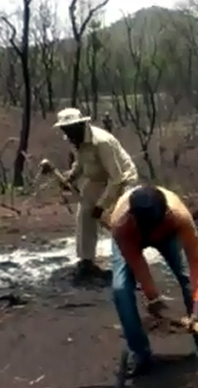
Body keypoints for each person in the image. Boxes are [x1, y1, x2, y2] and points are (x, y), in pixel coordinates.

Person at [109, 184, 198, 378]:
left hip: (168, 234)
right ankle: (140, 354)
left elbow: (196, 263)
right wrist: (153, 297)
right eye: (149, 229)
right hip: (132, 236)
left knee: (187, 278)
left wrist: (195, 310)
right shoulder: (121, 224)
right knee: (120, 290)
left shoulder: (179, 216)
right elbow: (138, 264)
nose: (152, 234)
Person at [55, 107, 138, 279]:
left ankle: (131, 260)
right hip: (99, 178)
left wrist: (102, 205)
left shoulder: (102, 142)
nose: (67, 133)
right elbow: (80, 163)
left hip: (122, 179)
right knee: (85, 213)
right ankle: (86, 261)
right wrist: (70, 177)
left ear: (81, 125)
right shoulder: (75, 140)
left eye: (70, 129)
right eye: (65, 129)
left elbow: (116, 178)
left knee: (117, 218)